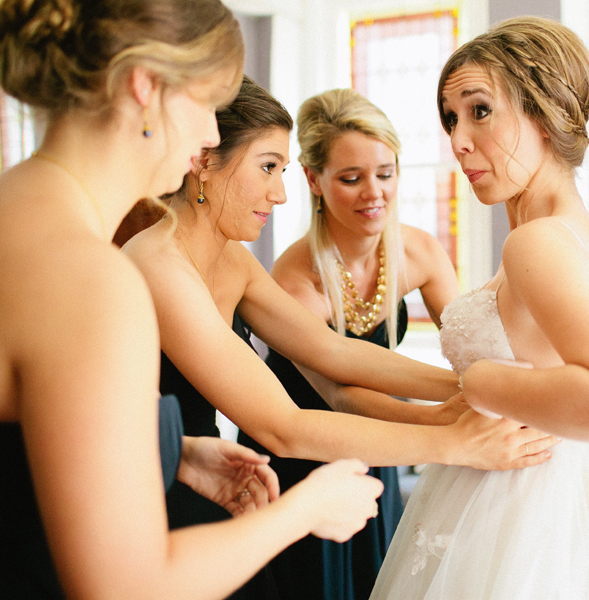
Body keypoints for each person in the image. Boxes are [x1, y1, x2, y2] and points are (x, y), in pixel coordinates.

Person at [0, 1, 385, 598]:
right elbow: (128, 587)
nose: (211, 136)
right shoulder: (91, 277)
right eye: (207, 104)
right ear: (147, 86)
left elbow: (3, 452)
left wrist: (170, 451)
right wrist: (305, 509)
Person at [121, 77, 558, 596]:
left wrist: (468, 387)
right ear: (203, 161)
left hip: (220, 480)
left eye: (281, 172)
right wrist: (454, 442)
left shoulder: (231, 258)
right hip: (156, 497)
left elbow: (331, 350)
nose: (280, 194)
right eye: (267, 168)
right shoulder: (159, 265)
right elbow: (282, 424)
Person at [370, 17, 589, 599]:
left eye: (479, 111)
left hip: (529, 508)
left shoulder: (538, 242)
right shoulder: (571, 230)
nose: (457, 140)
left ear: (545, 111)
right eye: (451, 118)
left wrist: (483, 382)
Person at [236, 88, 461, 600]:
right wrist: (446, 416)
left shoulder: (419, 251)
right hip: (304, 457)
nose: (374, 193)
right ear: (313, 180)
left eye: (385, 173)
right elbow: (341, 394)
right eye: (351, 178)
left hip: (377, 448)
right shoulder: (296, 279)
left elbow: (468, 347)